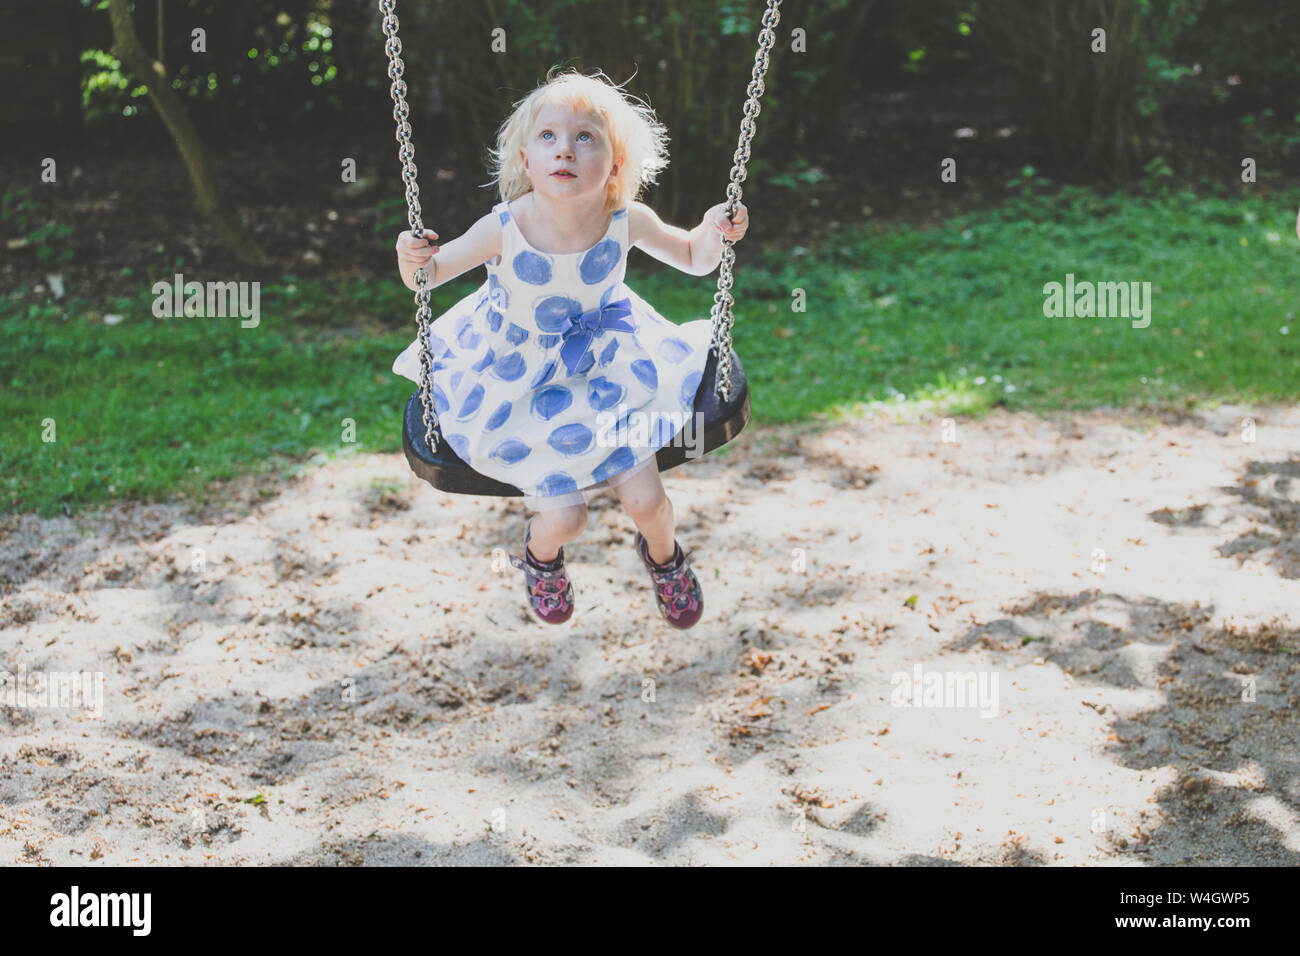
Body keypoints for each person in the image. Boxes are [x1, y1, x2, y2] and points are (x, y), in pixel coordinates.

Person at [392, 68, 749, 628]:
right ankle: (541, 559)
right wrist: (412, 259)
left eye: (586, 136)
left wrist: (713, 230)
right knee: (566, 519)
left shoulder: (625, 219)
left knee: (648, 505)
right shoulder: (503, 227)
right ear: (526, 162)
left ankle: (665, 560)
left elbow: (694, 257)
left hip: (611, 375)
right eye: (549, 137)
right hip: (519, 385)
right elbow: (429, 277)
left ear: (616, 164)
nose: (566, 149)